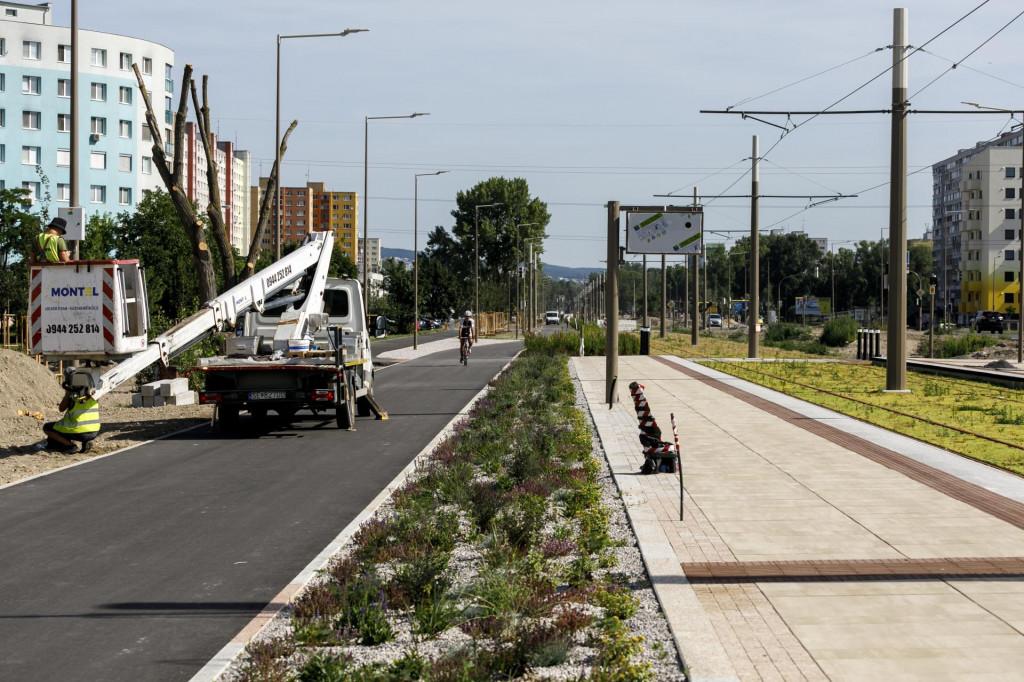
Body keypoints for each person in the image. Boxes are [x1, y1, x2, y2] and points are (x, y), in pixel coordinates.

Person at [42, 368, 100, 453]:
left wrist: (68, 394)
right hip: (94, 430)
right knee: (75, 425)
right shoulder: (94, 394)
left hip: (79, 431)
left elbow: (61, 409)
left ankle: (70, 445)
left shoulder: (73, 395)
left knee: (48, 427)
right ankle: (86, 442)